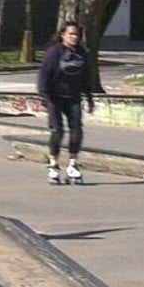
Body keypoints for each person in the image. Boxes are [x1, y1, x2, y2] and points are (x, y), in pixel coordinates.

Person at [36, 21, 94, 184]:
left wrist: (88, 97)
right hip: (54, 96)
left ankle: (73, 164)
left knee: (77, 131)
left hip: (73, 96)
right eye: (71, 34)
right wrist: (43, 96)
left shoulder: (81, 52)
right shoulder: (54, 52)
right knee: (57, 131)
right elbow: (44, 75)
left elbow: (86, 76)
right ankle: (53, 165)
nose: (74, 37)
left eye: (77, 34)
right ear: (63, 35)